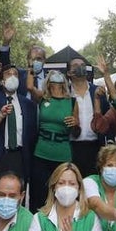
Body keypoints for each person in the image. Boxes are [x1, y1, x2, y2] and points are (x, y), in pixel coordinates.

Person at [0, 26, 37, 180]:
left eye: (15, 74)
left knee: (16, 197)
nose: (12, 76)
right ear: (1, 80)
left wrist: (7, 43)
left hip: (18, 158)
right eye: (8, 74)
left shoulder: (28, 104)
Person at [29, 70, 77, 212]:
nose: (56, 76)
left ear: (64, 81)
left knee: (62, 193)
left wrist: (75, 124)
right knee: (38, 193)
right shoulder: (43, 98)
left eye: (59, 75)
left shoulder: (72, 101)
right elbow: (30, 87)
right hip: (42, 151)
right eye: (52, 75)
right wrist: (32, 67)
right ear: (48, 81)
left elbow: (76, 131)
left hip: (62, 153)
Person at [67, 56, 105, 179]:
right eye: (76, 66)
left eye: (82, 65)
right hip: (71, 147)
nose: (80, 68)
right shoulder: (64, 92)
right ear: (69, 72)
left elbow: (106, 118)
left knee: (92, 185)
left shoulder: (97, 91)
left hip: (94, 147)